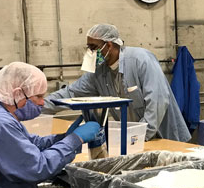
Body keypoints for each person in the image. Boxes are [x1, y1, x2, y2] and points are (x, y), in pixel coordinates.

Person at [45, 24, 191, 142]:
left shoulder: (140, 60)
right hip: (133, 141)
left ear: (108, 45)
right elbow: (70, 93)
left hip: (163, 137)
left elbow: (158, 101)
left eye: (93, 47)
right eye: (88, 48)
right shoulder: (98, 73)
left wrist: (139, 137)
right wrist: (34, 106)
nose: (90, 52)